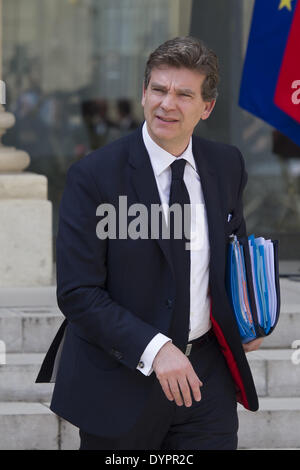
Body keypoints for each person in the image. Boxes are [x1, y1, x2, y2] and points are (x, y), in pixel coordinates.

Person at [36, 36, 263, 450]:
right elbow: (77, 291)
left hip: (206, 381)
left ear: (206, 108)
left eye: (183, 94)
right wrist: (156, 349)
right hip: (119, 382)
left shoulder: (227, 165)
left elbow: (232, 252)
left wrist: (247, 313)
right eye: (158, 89)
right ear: (143, 93)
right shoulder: (94, 177)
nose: (166, 104)